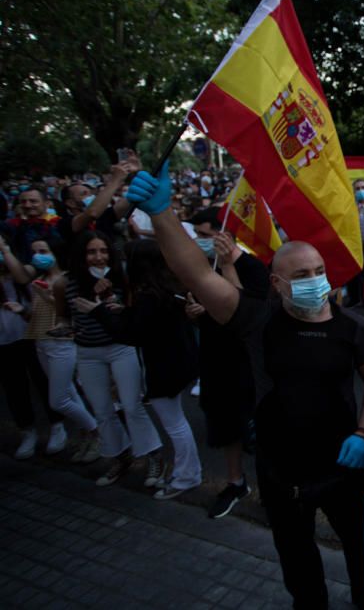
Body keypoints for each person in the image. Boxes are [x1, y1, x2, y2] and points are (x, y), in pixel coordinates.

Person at [126, 164, 364, 609]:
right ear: (277, 283)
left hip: (343, 468)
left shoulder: (353, 326)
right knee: (298, 559)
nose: (314, 281)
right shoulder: (256, 319)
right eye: (301, 274)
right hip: (280, 469)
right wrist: (162, 213)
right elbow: (196, 274)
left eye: (318, 271)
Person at [82, 239, 203, 500]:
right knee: (176, 422)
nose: (121, 265)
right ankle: (187, 473)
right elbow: (147, 323)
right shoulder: (164, 288)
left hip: (163, 368)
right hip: (178, 364)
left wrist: (99, 312)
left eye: (125, 260)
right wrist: (125, 311)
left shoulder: (149, 294)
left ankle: (187, 476)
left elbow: (134, 334)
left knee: (175, 424)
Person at [61, 231, 164, 486]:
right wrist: (68, 330)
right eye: (91, 252)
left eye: (103, 251)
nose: (98, 258)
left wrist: (107, 300)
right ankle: (120, 456)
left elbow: (131, 319)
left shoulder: (124, 280)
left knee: (131, 405)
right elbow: (64, 317)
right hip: (87, 353)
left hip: (120, 349)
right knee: (103, 410)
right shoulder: (66, 283)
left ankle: (154, 457)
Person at [187, 208, 270, 518]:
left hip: (248, 362)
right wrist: (195, 315)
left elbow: (244, 312)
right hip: (215, 358)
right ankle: (236, 482)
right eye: (198, 236)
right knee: (224, 423)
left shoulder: (253, 268)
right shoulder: (201, 267)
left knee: (258, 424)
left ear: (226, 236)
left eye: (207, 235)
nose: (201, 242)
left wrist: (227, 266)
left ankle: (270, 487)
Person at [15, 235, 100, 462]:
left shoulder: (67, 280)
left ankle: (96, 431)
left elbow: (70, 314)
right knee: (69, 394)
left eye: (43, 251)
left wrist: (50, 297)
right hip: (41, 342)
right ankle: (89, 436)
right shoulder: (39, 279)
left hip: (62, 344)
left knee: (58, 400)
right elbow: (36, 314)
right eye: (34, 252)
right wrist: (21, 310)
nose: (38, 257)